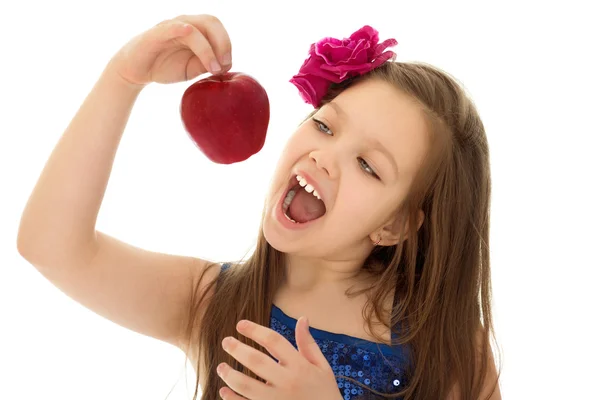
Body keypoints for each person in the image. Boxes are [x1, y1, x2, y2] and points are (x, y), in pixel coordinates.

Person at [16, 13, 502, 400]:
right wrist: (123, 76)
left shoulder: (449, 345)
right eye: (325, 126)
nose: (323, 156)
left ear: (394, 224)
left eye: (368, 165)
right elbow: (51, 246)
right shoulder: (209, 302)